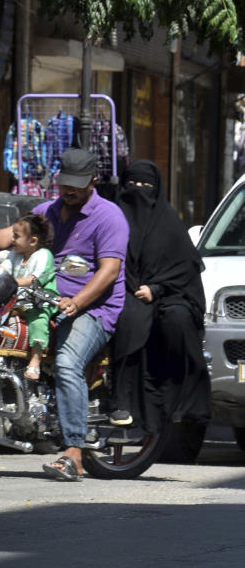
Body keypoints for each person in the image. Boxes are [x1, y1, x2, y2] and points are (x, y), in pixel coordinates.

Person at [0, 148, 128, 481]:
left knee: (68, 363)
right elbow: (7, 236)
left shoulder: (109, 216)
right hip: (40, 300)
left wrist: (78, 301)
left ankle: (73, 453)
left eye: (77, 184)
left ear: (93, 181)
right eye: (65, 183)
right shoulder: (48, 211)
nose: (69, 190)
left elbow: (110, 270)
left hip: (94, 307)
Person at [110, 160, 211, 431]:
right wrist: (132, 288)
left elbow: (184, 268)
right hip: (124, 290)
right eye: (132, 185)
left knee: (176, 321)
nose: (138, 192)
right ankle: (122, 403)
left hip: (166, 293)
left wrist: (156, 289)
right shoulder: (113, 220)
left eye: (146, 186)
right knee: (129, 320)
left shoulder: (169, 224)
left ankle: (183, 407)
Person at [0, 214, 57, 381]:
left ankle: (35, 360)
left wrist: (12, 282)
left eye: (16, 236)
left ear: (32, 241)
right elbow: (3, 269)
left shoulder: (44, 255)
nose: (13, 239)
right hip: (15, 301)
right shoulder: (14, 254)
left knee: (38, 322)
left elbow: (36, 278)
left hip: (38, 301)